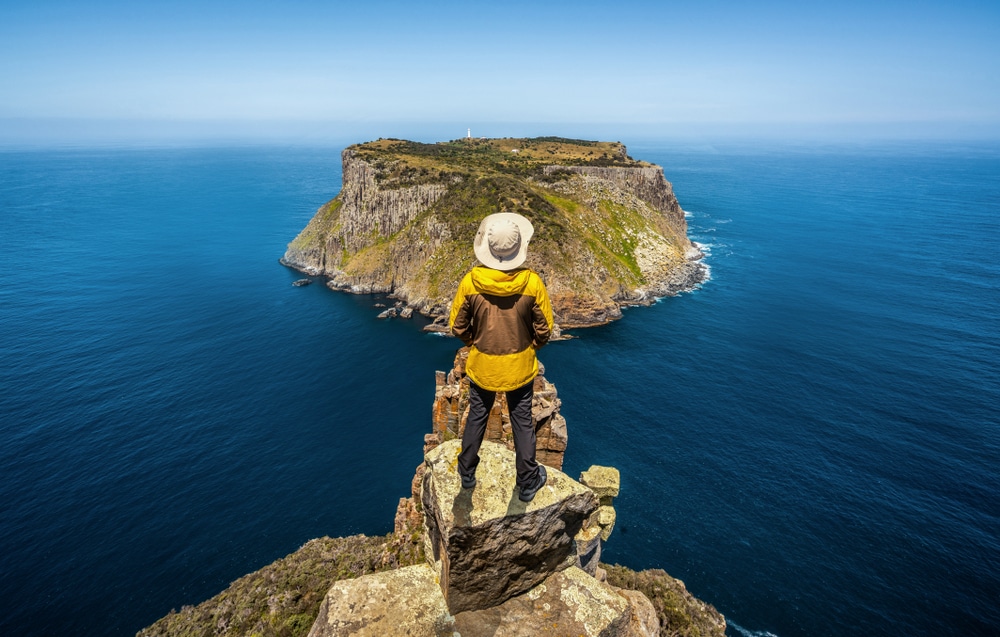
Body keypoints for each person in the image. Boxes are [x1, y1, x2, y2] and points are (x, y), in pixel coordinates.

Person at [449, 212, 554, 502]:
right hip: (520, 366)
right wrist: (531, 346)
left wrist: (475, 342)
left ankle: (467, 472)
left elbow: (457, 326)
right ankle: (528, 482)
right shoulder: (532, 284)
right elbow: (545, 329)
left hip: (482, 364)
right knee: (522, 422)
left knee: (477, 418)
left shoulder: (470, 283)